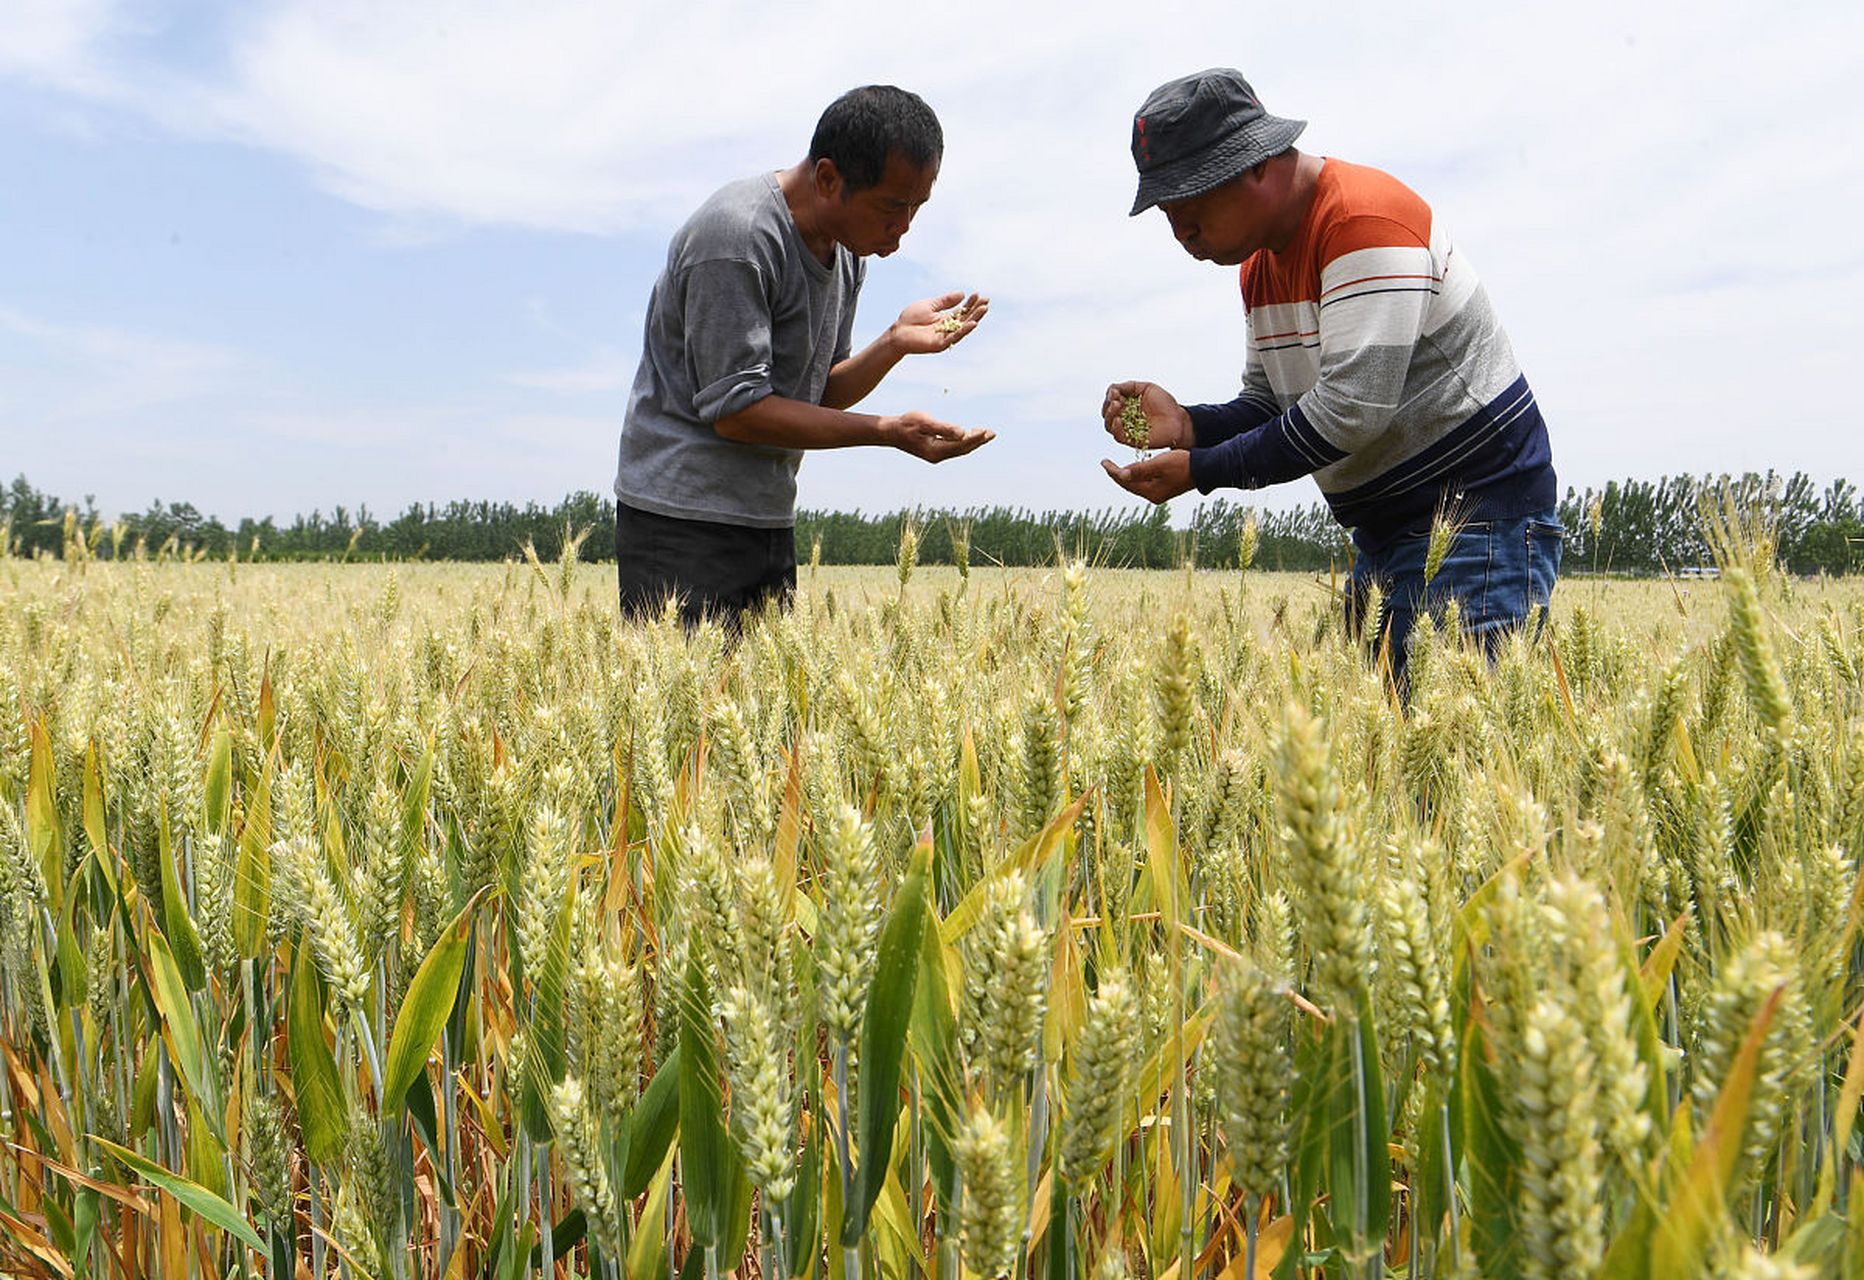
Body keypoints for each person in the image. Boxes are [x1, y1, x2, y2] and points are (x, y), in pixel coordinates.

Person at [1100, 68, 1561, 688]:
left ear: (1255, 163)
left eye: (1192, 201)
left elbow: (1349, 410)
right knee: (1384, 741)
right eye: (1166, 212)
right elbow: (1272, 404)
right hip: (1388, 535)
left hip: (1479, 528)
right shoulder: (1260, 266)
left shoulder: (1364, 223)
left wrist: (1201, 471)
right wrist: (1188, 426)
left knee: (1453, 743)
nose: (1181, 230)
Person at [613, 84, 994, 630]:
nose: (905, 225)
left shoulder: (848, 254)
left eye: (917, 206)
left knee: (764, 686)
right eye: (892, 206)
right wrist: (887, 431)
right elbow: (738, 412)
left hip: (767, 516)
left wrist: (893, 342)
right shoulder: (737, 237)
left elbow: (817, 394)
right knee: (683, 687)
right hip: (682, 522)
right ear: (829, 179)